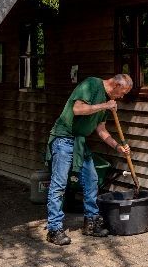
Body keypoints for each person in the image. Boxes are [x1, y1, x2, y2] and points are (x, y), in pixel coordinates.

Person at [46, 74, 133, 245]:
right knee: (59, 184)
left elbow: (101, 130)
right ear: (115, 84)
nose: (122, 97)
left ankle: (90, 223)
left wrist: (118, 147)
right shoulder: (91, 85)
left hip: (79, 142)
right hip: (64, 138)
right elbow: (77, 109)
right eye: (122, 92)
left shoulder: (107, 101)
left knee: (92, 179)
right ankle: (54, 229)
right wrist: (105, 106)